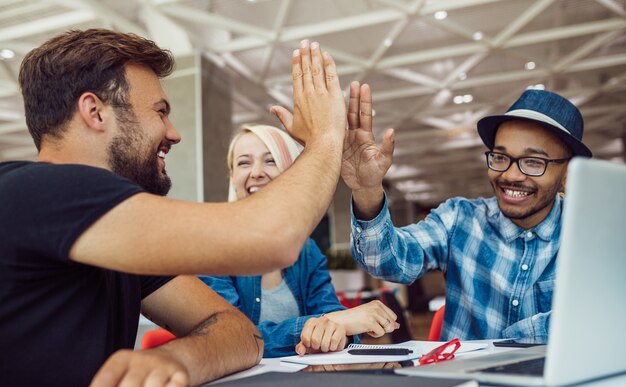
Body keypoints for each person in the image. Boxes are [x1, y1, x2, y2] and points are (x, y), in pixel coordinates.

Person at [0, 30, 347, 386]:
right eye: (160, 112)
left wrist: (177, 359)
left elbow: (243, 333)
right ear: (95, 112)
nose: (173, 133)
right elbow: (273, 239)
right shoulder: (34, 191)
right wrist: (327, 136)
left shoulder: (118, 240)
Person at [341, 83, 592, 343]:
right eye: (500, 157)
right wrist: (367, 190)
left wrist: (524, 335)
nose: (511, 175)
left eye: (533, 162)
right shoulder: (459, 220)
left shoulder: (594, 238)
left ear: (567, 175)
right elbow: (384, 261)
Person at [199, 124, 399, 357]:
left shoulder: (307, 251)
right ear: (233, 177)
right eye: (244, 162)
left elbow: (333, 316)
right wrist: (324, 325)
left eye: (270, 160)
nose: (256, 172)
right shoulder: (213, 246)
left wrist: (336, 330)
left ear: (290, 174)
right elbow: (229, 338)